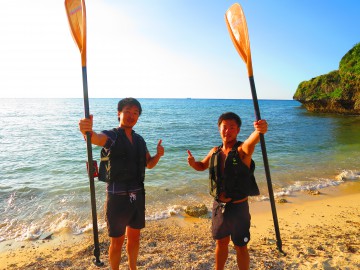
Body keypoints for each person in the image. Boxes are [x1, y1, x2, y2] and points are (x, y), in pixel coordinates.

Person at [79, 97, 164, 270]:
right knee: (116, 241)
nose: (132, 116)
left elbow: (149, 164)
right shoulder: (112, 135)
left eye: (135, 113)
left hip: (137, 197)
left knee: (134, 239)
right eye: (128, 112)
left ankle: (133, 267)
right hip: (116, 198)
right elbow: (96, 138)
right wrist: (86, 131)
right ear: (119, 114)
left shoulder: (139, 140)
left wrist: (158, 155)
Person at [187, 112, 267, 270]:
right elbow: (202, 166)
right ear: (219, 129)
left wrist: (259, 131)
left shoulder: (242, 151)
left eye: (232, 127)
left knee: (240, 246)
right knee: (221, 242)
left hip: (239, 208)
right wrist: (192, 163)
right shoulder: (215, 151)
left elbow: (252, 143)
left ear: (238, 130)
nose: (227, 131)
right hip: (219, 207)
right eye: (224, 127)